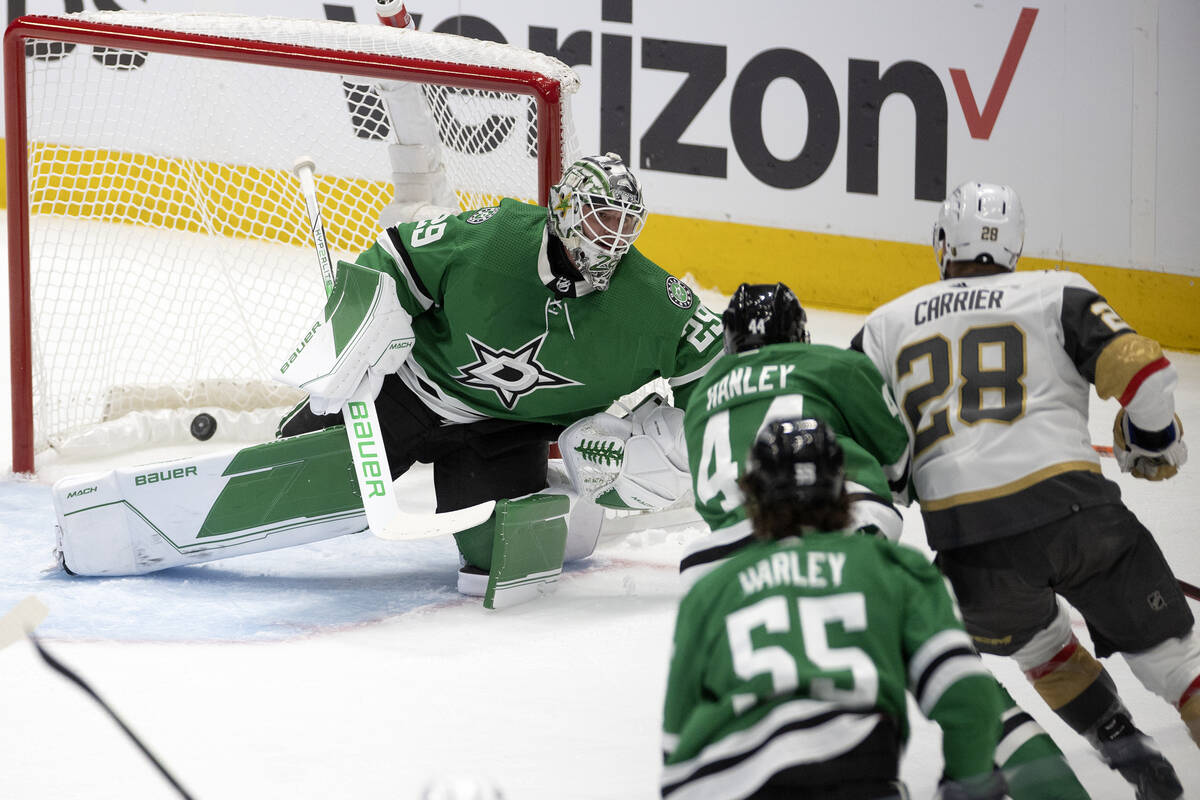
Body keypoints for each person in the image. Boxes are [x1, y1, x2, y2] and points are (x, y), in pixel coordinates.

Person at [852, 179, 1196, 800]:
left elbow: (875, 460)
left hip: (973, 546)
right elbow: (1146, 371)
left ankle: (1127, 746)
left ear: (940, 240)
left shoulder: (884, 326)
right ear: (1014, 245)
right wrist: (1151, 440)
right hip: (1081, 518)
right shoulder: (1055, 290)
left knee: (1041, 648)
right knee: (1179, 665)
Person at [276, 152, 724, 596]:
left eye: (627, 223)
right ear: (565, 211)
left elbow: (715, 359)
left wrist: (683, 445)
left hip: (505, 431)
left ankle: (564, 503)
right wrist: (362, 325)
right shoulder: (496, 239)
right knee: (289, 476)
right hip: (409, 392)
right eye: (602, 218)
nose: (615, 238)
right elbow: (394, 257)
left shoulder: (649, 300)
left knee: (495, 563)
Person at [661, 417, 1009, 800]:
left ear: (753, 497)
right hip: (854, 765)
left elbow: (675, 740)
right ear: (843, 491)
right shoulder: (892, 568)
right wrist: (968, 785)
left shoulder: (711, 587)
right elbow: (969, 694)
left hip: (723, 782)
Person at [680, 281, 911, 588]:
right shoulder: (835, 365)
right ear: (799, 333)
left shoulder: (701, 397)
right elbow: (898, 468)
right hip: (837, 524)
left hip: (728, 553)